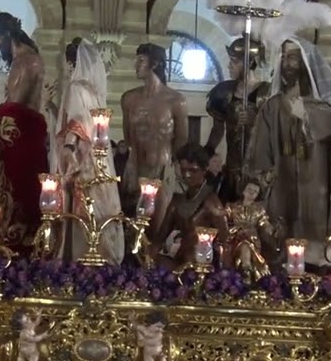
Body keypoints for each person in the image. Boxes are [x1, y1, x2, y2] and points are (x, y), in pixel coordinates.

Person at [248, 36, 331, 266]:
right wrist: (262, 175)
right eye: (284, 58)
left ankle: (319, 267)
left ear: (307, 63)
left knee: (315, 237)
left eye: (293, 58)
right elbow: (261, 151)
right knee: (281, 237)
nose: (287, 64)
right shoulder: (273, 106)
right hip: (282, 185)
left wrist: (303, 109)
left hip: (317, 182)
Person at [0, 10, 49, 249]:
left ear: (7, 35)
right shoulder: (26, 59)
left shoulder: (25, 60)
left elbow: (13, 106)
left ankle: (14, 244)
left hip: (22, 137)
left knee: (18, 194)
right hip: (21, 134)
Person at [55, 37, 124, 264]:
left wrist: (68, 147)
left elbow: (77, 122)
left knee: (80, 206)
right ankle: (102, 256)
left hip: (80, 155)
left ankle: (76, 257)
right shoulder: (93, 92)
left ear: (71, 63)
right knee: (98, 205)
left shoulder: (74, 87)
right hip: (97, 156)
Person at [120, 43, 188, 241]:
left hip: (162, 168)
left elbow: (181, 139)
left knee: (156, 229)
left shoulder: (176, 100)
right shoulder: (129, 99)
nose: (136, 65)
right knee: (132, 228)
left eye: (141, 60)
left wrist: (168, 163)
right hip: (135, 166)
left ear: (155, 63)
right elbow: (128, 135)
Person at [204, 37, 270, 197]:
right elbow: (217, 130)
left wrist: (255, 121)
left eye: (234, 61)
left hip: (259, 173)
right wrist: (205, 154)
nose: (229, 65)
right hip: (232, 169)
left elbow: (275, 132)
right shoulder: (223, 92)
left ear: (249, 63)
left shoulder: (267, 94)